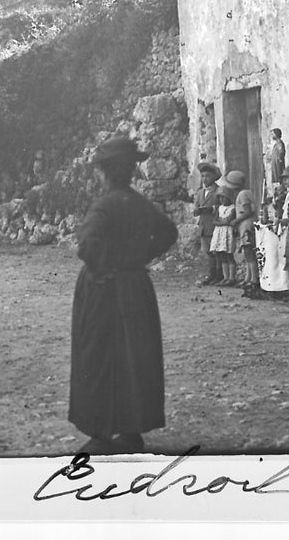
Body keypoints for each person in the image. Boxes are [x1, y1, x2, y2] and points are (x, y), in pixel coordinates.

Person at [68, 133, 178, 455]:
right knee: (134, 357)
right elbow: (168, 232)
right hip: (135, 289)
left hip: (104, 290)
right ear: (130, 171)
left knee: (98, 354)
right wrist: (140, 257)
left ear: (105, 172)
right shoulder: (140, 203)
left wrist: (103, 267)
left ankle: (100, 433)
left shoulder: (105, 205)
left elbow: (87, 245)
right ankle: (131, 431)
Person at [226, 171, 261, 299]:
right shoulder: (246, 193)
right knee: (247, 253)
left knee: (249, 252)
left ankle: (253, 278)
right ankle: (248, 277)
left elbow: (248, 211)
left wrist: (236, 220)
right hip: (244, 224)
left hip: (246, 224)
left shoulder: (242, 194)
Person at [192, 163, 222, 285]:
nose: (205, 179)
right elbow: (196, 208)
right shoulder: (200, 193)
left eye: (207, 176)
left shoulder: (219, 190)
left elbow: (225, 206)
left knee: (217, 252)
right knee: (208, 252)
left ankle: (219, 275)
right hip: (204, 226)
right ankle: (212, 274)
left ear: (214, 177)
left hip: (215, 225)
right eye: (203, 176)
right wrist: (197, 211)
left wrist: (213, 209)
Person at [209, 176, 237, 286]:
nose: (222, 200)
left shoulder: (232, 208)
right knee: (221, 255)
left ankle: (232, 277)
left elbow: (228, 220)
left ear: (229, 198)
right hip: (219, 233)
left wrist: (222, 221)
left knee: (229, 255)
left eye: (224, 198)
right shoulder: (219, 208)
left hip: (227, 233)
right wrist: (222, 221)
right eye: (220, 198)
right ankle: (225, 277)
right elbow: (214, 221)